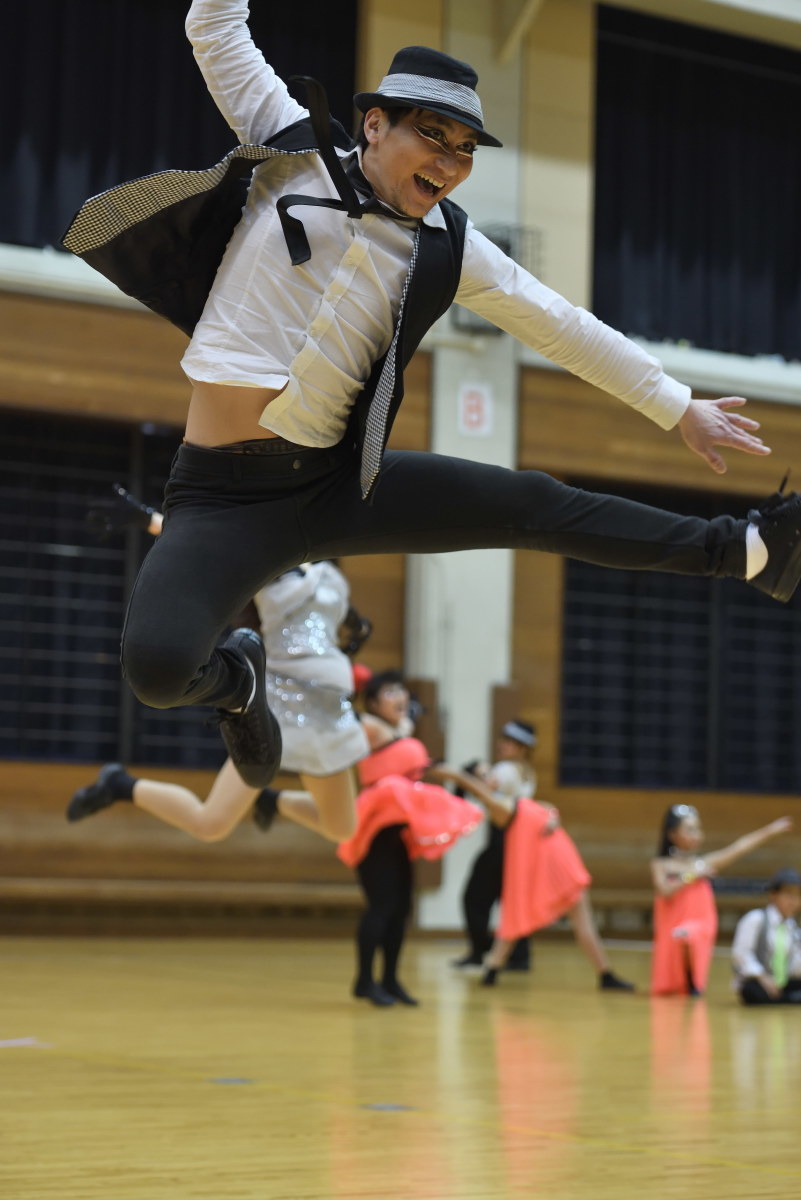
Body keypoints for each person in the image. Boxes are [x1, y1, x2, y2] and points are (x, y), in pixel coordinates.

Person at [63, 0, 801, 798]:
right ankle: (240, 684)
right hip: (217, 497)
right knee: (160, 670)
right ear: (373, 125)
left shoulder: (451, 243)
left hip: (337, 485)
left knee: (533, 503)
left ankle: (747, 549)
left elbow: (556, 322)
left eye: (464, 151)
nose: (449, 162)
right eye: (433, 137)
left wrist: (674, 403)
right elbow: (214, 28)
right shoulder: (286, 141)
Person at [68, 509, 371, 843]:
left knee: (343, 828)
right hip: (283, 703)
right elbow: (204, 542)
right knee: (211, 824)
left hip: (331, 706)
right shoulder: (262, 562)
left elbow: (329, 615)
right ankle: (120, 785)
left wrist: (355, 625)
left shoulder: (324, 564)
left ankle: (271, 801)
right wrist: (145, 518)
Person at [261, 670, 484, 1006]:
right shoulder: (368, 725)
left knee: (400, 909)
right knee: (381, 907)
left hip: (398, 836)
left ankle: (390, 980)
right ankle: (365, 981)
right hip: (375, 831)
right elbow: (335, 727)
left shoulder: (401, 729)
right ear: (375, 700)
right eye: (392, 691)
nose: (401, 697)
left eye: (403, 691)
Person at [443, 768, 635, 991]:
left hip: (561, 867)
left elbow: (547, 810)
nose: (489, 779)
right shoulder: (508, 806)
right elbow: (483, 793)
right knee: (522, 916)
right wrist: (455, 776)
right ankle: (604, 974)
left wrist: (553, 814)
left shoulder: (517, 804)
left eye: (494, 777)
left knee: (573, 921)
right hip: (553, 868)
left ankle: (605, 974)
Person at [650, 804, 793, 996]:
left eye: (698, 829)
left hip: (700, 922)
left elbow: (738, 848)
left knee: (687, 935)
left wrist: (770, 831)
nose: (696, 835)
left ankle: (694, 983)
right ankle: (684, 981)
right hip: (671, 922)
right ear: (673, 835)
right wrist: (693, 874)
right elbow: (664, 890)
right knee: (679, 936)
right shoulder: (662, 864)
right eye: (690, 830)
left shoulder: (704, 863)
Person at [454, 719, 537, 970]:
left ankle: (482, 951)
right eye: (504, 740)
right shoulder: (526, 772)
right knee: (510, 899)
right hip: (517, 842)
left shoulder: (505, 770)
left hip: (502, 840)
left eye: (511, 742)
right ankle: (517, 956)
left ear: (523, 748)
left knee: (474, 898)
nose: (504, 745)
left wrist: (476, 772)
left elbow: (486, 789)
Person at [731, 867, 801, 1006]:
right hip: (759, 981)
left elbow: (794, 963)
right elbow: (741, 955)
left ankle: (782, 998)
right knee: (752, 991)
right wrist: (763, 978)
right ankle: (787, 999)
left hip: (782, 982)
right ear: (773, 895)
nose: (793, 901)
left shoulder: (793, 928)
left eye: (798, 896)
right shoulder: (755, 919)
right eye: (788, 894)